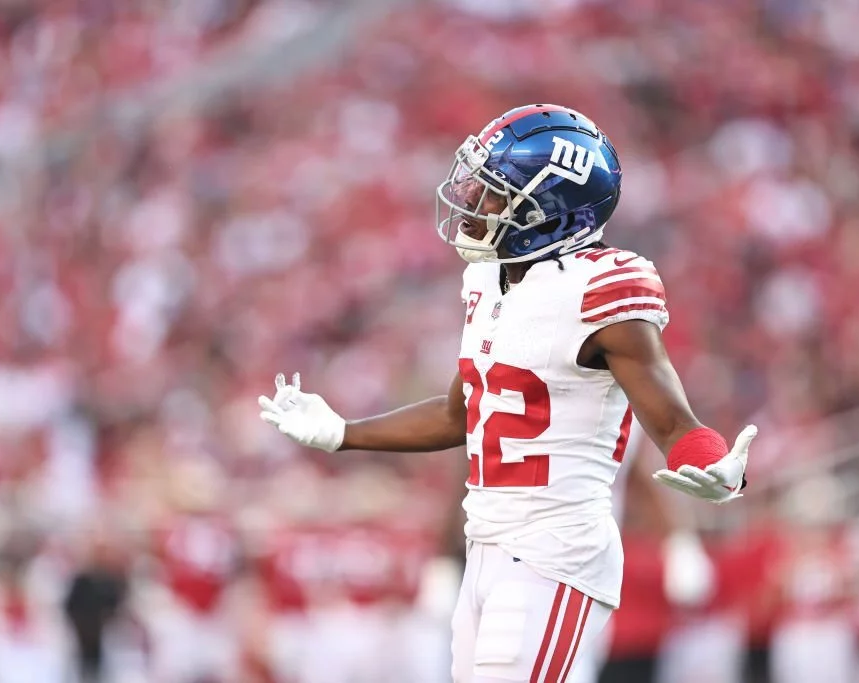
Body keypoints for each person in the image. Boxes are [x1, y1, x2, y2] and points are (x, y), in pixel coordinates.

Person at [258, 104, 757, 683]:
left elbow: (672, 421)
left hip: (555, 551)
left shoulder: (600, 288)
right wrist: (344, 433)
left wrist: (714, 465)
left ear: (549, 211)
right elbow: (462, 412)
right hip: (486, 547)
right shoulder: (489, 280)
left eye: (496, 193)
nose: (473, 201)